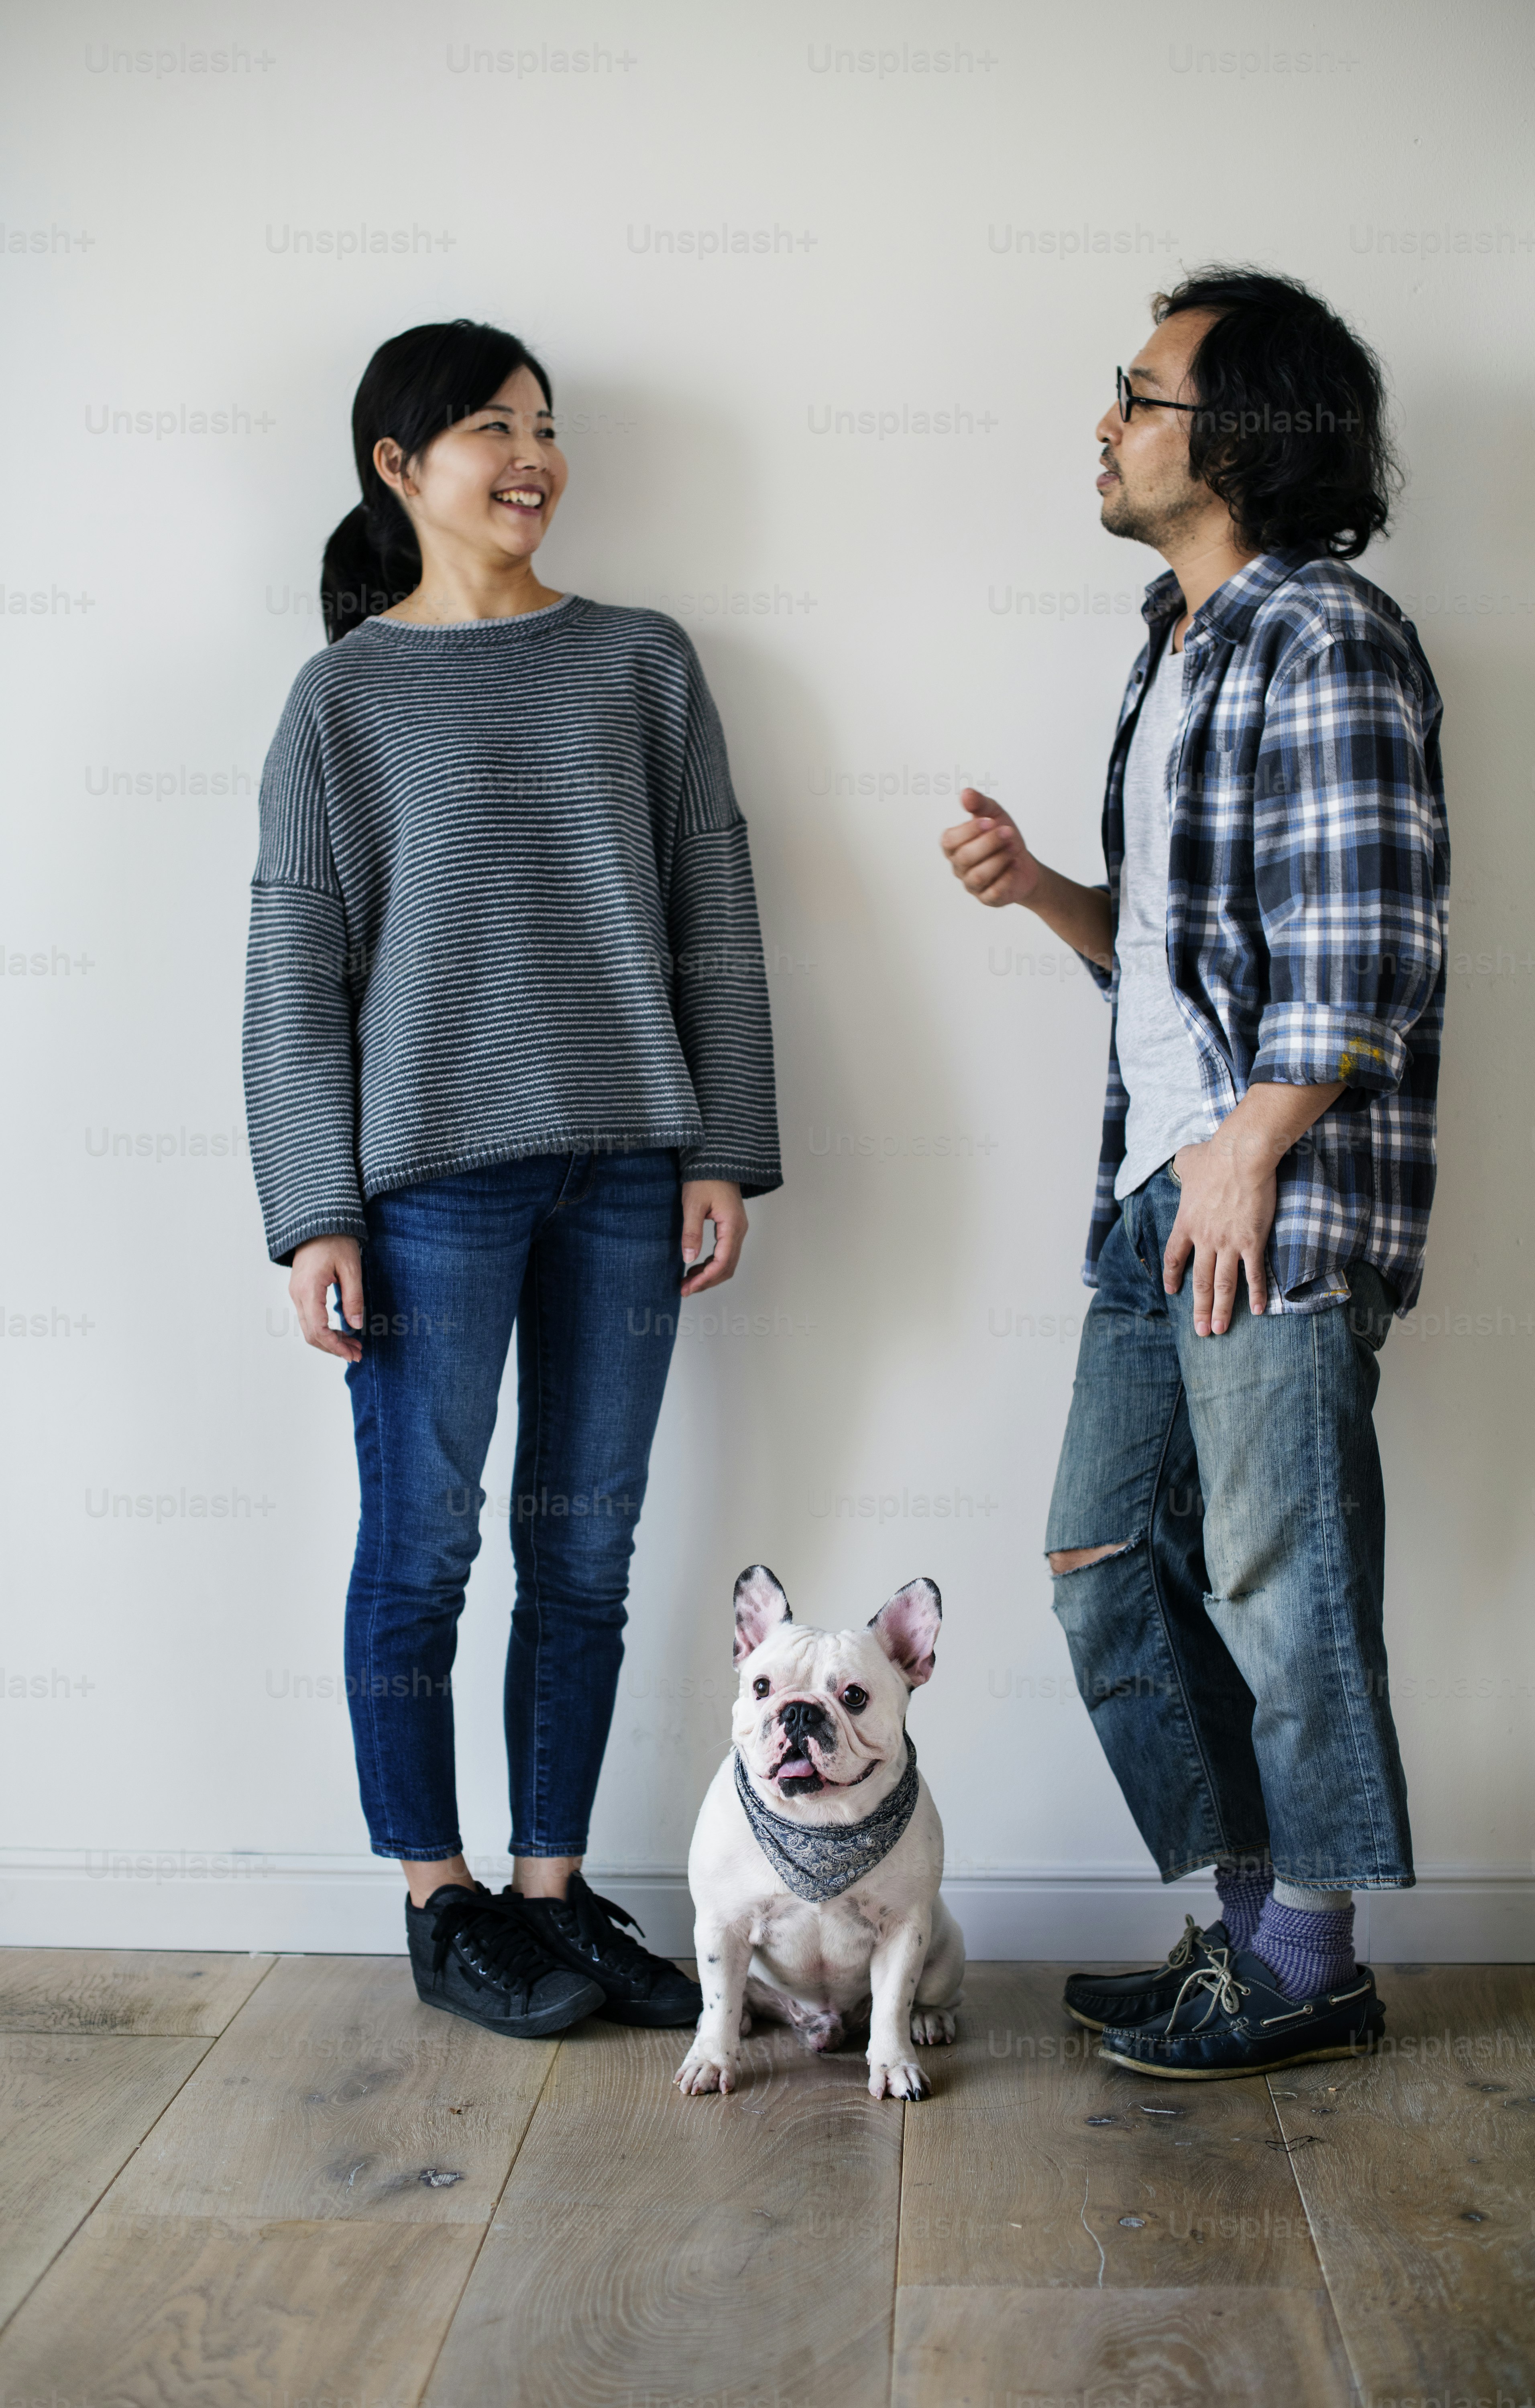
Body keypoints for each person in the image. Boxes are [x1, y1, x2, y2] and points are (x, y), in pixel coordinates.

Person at [244, 319, 781, 2042]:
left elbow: (714, 907)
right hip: (426, 1193)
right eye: (490, 427)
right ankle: (440, 1900)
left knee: (586, 1551)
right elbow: (293, 969)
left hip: (627, 1164)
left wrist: (722, 1148)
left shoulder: (641, 661)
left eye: (544, 426)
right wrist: (313, 1205)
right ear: (398, 470)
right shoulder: (342, 700)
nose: (530, 455)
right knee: (421, 1549)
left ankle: (551, 1896)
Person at [941, 268, 1448, 2078]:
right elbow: (1187, 955)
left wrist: (1248, 1161)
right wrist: (1052, 899)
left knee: (1279, 1575)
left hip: (1269, 1192)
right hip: (1158, 1181)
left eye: (1137, 394)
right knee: (1103, 1556)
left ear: (1240, 434)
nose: (1106, 421)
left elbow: (1366, 946)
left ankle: (1310, 1957)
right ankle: (1248, 1929)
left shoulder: (1325, 633)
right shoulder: (1176, 640)